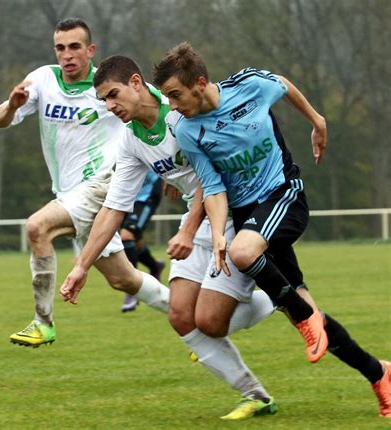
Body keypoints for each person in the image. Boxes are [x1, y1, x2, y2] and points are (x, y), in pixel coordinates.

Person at [152, 42, 391, 418]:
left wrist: (317, 120)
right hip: (250, 216)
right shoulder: (186, 130)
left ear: (200, 82)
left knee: (243, 253)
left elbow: (282, 83)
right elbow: (212, 186)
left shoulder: (249, 85)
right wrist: (216, 233)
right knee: (310, 312)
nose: (172, 105)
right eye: (166, 97)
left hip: (284, 195)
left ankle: (301, 316)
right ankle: (379, 373)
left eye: (175, 95)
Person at [60, 55, 278, 420]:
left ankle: (278, 294)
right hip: (197, 219)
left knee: (209, 322)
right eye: (104, 102)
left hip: (231, 214)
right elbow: (114, 208)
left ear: (135, 82)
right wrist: (81, 266)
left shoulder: (180, 111)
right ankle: (255, 395)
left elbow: (216, 176)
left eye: (114, 95)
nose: (111, 106)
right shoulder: (130, 141)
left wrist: (188, 229)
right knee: (180, 315)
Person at [0, 18, 170, 348]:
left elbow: (160, 103)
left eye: (75, 47)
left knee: (37, 227)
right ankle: (190, 317)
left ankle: (42, 322)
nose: (67, 54)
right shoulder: (43, 79)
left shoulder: (107, 86)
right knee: (123, 279)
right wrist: (12, 106)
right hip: (69, 194)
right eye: (60, 47)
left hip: (102, 184)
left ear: (90, 50)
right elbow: (1, 121)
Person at [120, 171, 165, 312]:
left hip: (147, 194)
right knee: (135, 240)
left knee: (127, 236)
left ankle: (132, 289)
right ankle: (155, 266)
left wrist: (170, 179)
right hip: (127, 196)